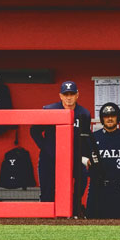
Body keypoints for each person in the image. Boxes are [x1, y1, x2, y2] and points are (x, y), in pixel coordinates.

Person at [32, 80, 93, 216]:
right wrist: (46, 148)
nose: (69, 97)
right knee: (48, 191)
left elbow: (85, 136)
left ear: (77, 95)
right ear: (60, 96)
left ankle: (73, 208)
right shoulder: (49, 110)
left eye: (72, 94)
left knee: (82, 177)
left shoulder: (84, 113)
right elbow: (34, 131)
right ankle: (47, 218)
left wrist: (85, 156)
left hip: (73, 156)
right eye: (66, 94)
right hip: (51, 158)